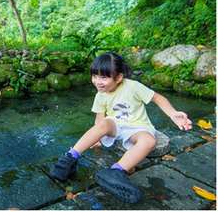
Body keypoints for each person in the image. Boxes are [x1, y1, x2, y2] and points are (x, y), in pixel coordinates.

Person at [49, 52, 193, 203]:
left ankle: (116, 171)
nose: (97, 81)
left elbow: (157, 98)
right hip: (115, 126)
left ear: (118, 78)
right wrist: (96, 138)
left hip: (138, 127)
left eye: (103, 77)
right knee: (103, 123)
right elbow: (99, 119)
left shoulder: (133, 86)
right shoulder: (101, 94)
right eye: (94, 76)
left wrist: (172, 114)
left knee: (149, 140)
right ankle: (69, 158)